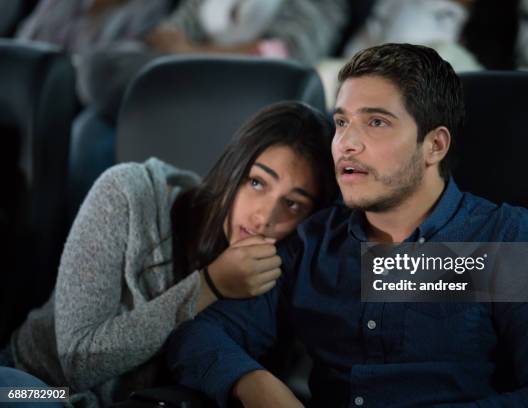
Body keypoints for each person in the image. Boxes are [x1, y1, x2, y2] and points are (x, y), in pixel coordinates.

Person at [166, 43, 528, 407]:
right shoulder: (312, 241)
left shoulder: (514, 240)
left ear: (434, 144)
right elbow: (199, 336)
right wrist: (256, 384)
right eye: (341, 122)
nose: (346, 144)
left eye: (375, 122)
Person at [2, 101, 337, 407]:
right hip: (36, 384)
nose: (265, 217)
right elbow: (77, 362)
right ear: (234, 167)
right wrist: (208, 286)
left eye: (292, 204)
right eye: (257, 183)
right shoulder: (128, 193)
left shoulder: (273, 270)